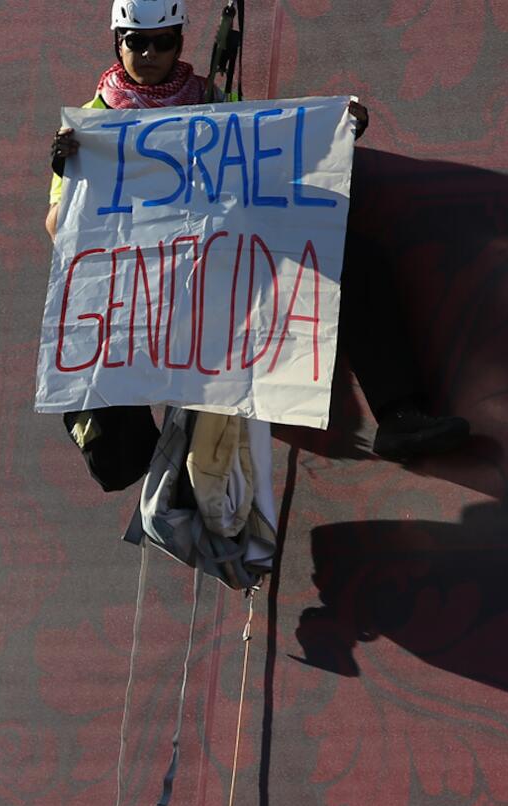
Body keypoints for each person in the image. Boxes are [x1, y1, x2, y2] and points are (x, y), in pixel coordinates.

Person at [45, 0, 470, 463]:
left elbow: (271, 161)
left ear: (179, 42)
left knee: (353, 259)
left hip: (230, 267)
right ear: (117, 42)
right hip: (150, 289)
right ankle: (128, 450)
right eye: (136, 41)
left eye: (162, 41)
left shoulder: (217, 103)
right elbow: (60, 234)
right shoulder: (89, 127)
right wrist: (72, 177)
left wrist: (333, 129)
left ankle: (399, 415)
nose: (149, 53)